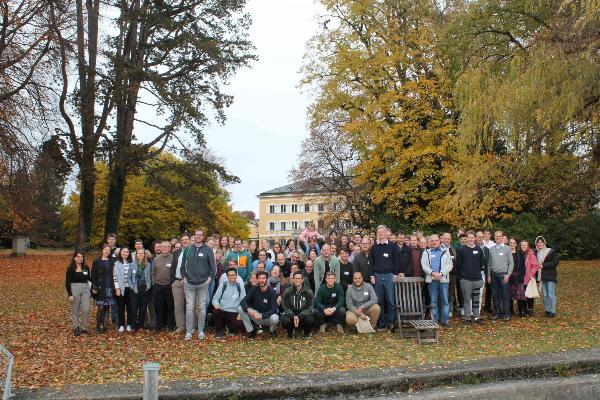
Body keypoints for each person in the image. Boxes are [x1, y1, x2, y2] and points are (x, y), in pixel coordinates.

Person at [181, 229, 216, 340]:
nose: (199, 237)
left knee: (202, 308)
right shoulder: (187, 249)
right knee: (190, 307)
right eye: (197, 235)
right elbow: (182, 266)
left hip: (203, 284)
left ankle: (201, 331)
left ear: (203, 237)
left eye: (201, 235)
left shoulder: (208, 250)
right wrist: (184, 278)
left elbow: (213, 267)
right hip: (189, 284)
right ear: (194, 236)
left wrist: (209, 280)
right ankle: (189, 331)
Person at [369, 225, 399, 330]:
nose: (380, 234)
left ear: (386, 233)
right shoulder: (374, 247)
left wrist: (395, 274)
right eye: (379, 232)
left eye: (382, 232)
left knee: (390, 300)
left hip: (389, 276)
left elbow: (396, 261)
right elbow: (371, 262)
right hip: (377, 276)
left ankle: (390, 322)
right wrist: (372, 275)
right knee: (379, 301)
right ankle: (381, 322)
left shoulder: (392, 246)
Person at [421, 234, 453, 327]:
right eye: (432, 241)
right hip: (432, 280)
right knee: (433, 302)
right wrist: (432, 273)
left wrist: (441, 273)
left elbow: (450, 265)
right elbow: (424, 265)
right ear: (430, 242)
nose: (434, 242)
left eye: (436, 240)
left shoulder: (446, 251)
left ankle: (445, 321)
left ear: (440, 241)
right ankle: (434, 320)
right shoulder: (426, 252)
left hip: (443, 280)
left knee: (445, 301)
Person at [455, 231, 485, 325]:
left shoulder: (479, 249)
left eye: (472, 237)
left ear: (475, 238)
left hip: (477, 279)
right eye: (469, 237)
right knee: (467, 299)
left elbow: (482, 264)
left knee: (476, 300)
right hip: (466, 279)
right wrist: (462, 277)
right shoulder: (462, 250)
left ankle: (476, 317)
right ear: (466, 238)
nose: (471, 239)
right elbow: (458, 265)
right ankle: (467, 318)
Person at [240, 271, 280, 338]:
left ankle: (272, 331)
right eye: (259, 278)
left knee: (275, 318)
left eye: (263, 278)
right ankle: (251, 331)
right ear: (257, 279)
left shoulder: (272, 291)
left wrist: (262, 315)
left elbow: (274, 310)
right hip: (255, 316)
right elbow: (243, 301)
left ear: (267, 279)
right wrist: (248, 309)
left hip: (267, 318)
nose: (261, 280)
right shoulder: (254, 289)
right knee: (240, 308)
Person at [211, 268, 248, 338]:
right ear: (227, 276)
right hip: (223, 311)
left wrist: (241, 313)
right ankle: (219, 331)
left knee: (240, 325)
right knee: (216, 312)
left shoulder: (240, 286)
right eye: (230, 275)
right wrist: (216, 305)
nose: (232, 277)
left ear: (236, 275)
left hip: (234, 312)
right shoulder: (223, 285)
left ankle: (230, 327)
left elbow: (243, 301)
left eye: (233, 275)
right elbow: (215, 299)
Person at [487, 230, 514, 321]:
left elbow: (511, 263)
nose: (498, 237)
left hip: (504, 276)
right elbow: (489, 263)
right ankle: (497, 313)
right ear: (494, 237)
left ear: (502, 237)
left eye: (499, 236)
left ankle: (506, 314)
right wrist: (489, 275)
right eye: (496, 236)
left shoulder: (507, 248)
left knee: (505, 295)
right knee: (495, 295)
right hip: (493, 275)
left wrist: (508, 275)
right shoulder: (491, 249)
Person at [281, 271, 315, 338]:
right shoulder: (288, 291)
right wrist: (293, 316)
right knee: (284, 320)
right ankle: (290, 333)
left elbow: (310, 307)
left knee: (310, 319)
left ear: (302, 280)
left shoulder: (308, 291)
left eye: (299, 278)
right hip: (291, 314)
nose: (297, 280)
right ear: (293, 279)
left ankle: (306, 333)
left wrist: (299, 316)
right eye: (296, 278)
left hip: (303, 315)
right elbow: (285, 306)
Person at [91, 244, 116, 333]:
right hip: (100, 287)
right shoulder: (96, 261)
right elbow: (93, 275)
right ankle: (98, 327)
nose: (107, 251)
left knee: (107, 308)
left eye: (109, 250)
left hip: (109, 287)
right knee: (100, 307)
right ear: (102, 250)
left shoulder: (112, 261)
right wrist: (94, 286)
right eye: (106, 249)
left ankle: (104, 327)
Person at [65, 251, 91, 336]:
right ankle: (76, 327)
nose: (80, 258)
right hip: (74, 289)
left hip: (85, 289)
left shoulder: (85, 268)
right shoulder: (71, 268)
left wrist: (92, 288)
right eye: (78, 257)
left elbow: (89, 279)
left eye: (81, 257)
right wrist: (70, 294)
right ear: (74, 258)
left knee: (86, 310)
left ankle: (84, 328)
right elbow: (67, 282)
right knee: (75, 310)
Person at [152, 241, 175, 331]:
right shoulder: (156, 259)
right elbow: (153, 272)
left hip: (169, 286)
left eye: (167, 246)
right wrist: (154, 283)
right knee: (158, 306)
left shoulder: (173, 258)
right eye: (163, 246)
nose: (165, 248)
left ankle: (170, 326)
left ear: (170, 248)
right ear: (161, 248)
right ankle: (159, 325)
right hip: (158, 286)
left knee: (170, 306)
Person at [513, 240, 539, 317]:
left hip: (529, 278)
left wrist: (530, 275)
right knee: (522, 294)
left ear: (528, 246)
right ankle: (523, 309)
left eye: (525, 245)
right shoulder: (518, 254)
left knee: (529, 294)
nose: (523, 246)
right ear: (520, 246)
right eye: (522, 245)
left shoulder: (531, 255)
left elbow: (535, 266)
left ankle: (530, 309)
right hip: (520, 277)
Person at [171, 233, 190, 335]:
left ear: (190, 240)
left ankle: (191, 327)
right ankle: (180, 326)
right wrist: (173, 281)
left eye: (186, 239)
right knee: (178, 306)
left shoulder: (193, 251)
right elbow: (173, 267)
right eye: (182, 240)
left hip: (190, 282)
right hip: (177, 281)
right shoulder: (176, 252)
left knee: (190, 305)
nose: (184, 241)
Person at [534, 236, 559, 318]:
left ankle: (553, 311)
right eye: (538, 242)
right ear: (536, 244)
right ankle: (547, 310)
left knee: (551, 293)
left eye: (541, 242)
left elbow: (555, 263)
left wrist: (543, 265)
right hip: (542, 277)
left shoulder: (550, 251)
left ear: (544, 243)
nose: (539, 244)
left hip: (551, 275)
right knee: (544, 294)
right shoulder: (536, 253)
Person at [128, 248, 152, 331]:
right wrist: (132, 287)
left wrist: (148, 286)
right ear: (136, 255)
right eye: (139, 253)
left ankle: (141, 325)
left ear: (144, 255)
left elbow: (149, 276)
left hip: (144, 289)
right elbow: (129, 278)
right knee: (134, 308)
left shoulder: (148, 264)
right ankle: (133, 326)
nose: (141, 255)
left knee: (142, 308)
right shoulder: (131, 264)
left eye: (142, 253)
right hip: (135, 289)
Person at [113, 247, 134, 332]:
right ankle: (121, 324)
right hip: (121, 288)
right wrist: (117, 288)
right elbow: (115, 277)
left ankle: (129, 324)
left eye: (127, 252)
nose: (125, 253)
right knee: (120, 307)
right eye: (123, 252)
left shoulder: (131, 263)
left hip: (130, 288)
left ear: (129, 253)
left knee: (130, 307)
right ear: (120, 253)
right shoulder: (116, 263)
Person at [441, 232, 460, 317]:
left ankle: (450, 310)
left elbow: (455, 261)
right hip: (442, 275)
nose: (447, 240)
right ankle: (442, 311)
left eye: (448, 239)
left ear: (450, 239)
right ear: (442, 239)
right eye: (445, 238)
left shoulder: (453, 249)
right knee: (442, 293)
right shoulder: (439, 248)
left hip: (452, 275)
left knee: (451, 293)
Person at [475, 230, 492, 314]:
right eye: (478, 236)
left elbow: (488, 263)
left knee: (480, 293)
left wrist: (488, 275)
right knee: (471, 293)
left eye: (482, 237)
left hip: (482, 273)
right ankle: (471, 312)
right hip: (472, 273)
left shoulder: (486, 249)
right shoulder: (471, 247)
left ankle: (477, 312)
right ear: (475, 237)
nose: (480, 238)